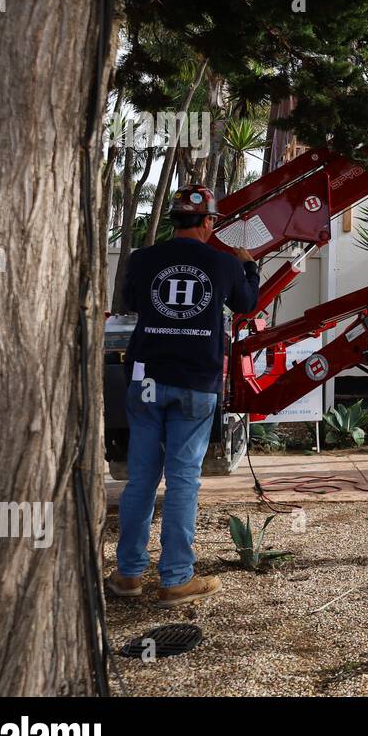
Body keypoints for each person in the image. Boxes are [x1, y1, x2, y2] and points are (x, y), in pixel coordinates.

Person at [109, 185, 260, 607]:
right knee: (181, 481)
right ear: (209, 222)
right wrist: (250, 268)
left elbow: (129, 302)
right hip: (195, 383)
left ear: (174, 220)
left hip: (146, 379)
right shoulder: (223, 264)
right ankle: (175, 579)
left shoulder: (143, 260)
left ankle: (128, 575)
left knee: (140, 479)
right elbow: (247, 305)